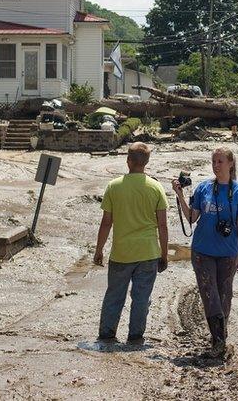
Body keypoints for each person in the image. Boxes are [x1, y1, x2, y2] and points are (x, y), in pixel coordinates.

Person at [172, 147, 238, 358]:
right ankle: (218, 340)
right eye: (214, 162)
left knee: (225, 295)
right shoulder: (203, 188)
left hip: (228, 252)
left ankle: (220, 334)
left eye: (220, 162)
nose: (216, 166)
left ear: (230, 164)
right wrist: (180, 194)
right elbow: (192, 218)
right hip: (202, 251)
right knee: (209, 293)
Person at [94, 142, 169, 346]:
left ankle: (107, 335)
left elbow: (106, 223)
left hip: (121, 253)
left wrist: (99, 250)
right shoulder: (156, 187)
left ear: (128, 161)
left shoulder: (114, 186)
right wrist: (164, 254)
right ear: (146, 163)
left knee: (114, 295)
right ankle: (135, 337)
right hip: (148, 253)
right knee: (141, 297)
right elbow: (162, 225)